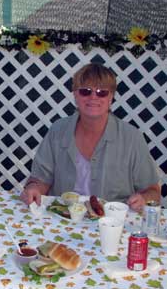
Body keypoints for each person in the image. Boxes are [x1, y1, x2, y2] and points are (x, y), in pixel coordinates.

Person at [20, 63, 160, 213]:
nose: (93, 97)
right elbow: (40, 180)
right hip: (63, 217)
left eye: (101, 92)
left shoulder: (132, 137)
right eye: (85, 91)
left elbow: (153, 192)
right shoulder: (58, 130)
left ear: (111, 97)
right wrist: (33, 188)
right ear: (75, 94)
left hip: (112, 221)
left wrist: (143, 199)